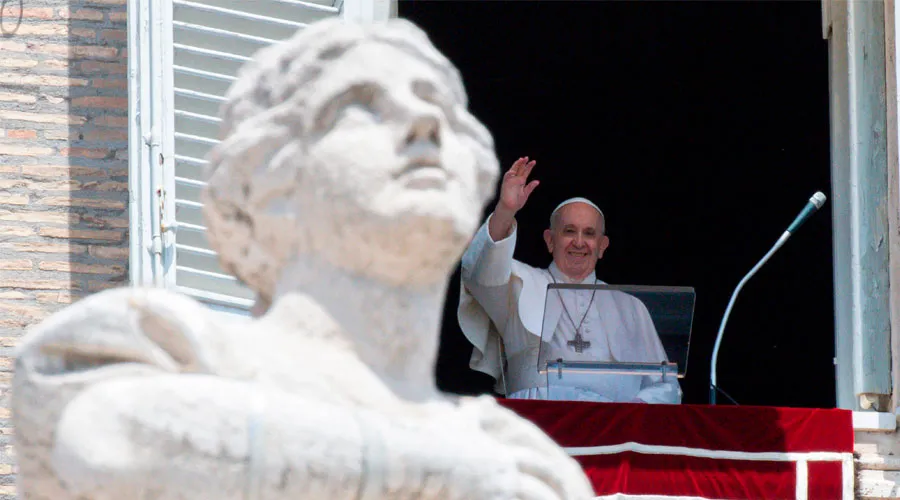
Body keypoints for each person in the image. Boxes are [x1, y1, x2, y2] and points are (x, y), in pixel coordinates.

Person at [12, 20, 593, 500]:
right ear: (268, 180)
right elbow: (111, 443)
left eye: (440, 105)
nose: (426, 124)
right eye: (362, 105)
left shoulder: (526, 460)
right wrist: (456, 471)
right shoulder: (146, 355)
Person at [458, 157, 682, 404]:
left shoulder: (631, 307)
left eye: (589, 233)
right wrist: (506, 209)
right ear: (549, 240)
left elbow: (665, 385)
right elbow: (480, 273)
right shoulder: (519, 284)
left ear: (602, 246)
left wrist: (630, 415)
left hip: (612, 432)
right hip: (538, 422)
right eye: (569, 231)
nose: (578, 242)